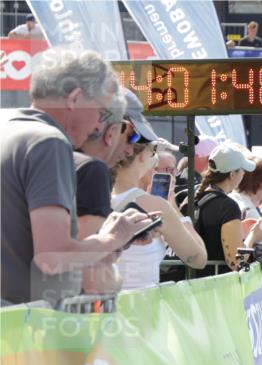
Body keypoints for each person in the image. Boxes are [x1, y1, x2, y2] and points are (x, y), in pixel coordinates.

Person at [1, 48, 148, 307]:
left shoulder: (9, 127)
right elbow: (52, 256)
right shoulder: (48, 142)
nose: (98, 127)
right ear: (75, 99)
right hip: (20, 332)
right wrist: (113, 237)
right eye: (102, 112)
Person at [112, 139, 208, 290]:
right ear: (142, 157)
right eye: (152, 153)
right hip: (141, 306)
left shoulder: (91, 199)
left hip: (102, 306)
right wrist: (175, 210)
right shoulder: (156, 206)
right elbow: (198, 259)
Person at [74, 89, 130, 294]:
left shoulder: (39, 154)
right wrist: (115, 239)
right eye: (132, 138)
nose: (131, 150)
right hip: (62, 315)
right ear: (111, 133)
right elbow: (93, 278)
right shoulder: (92, 171)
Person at [190, 143, 255, 276]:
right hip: (213, 289)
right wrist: (254, 236)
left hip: (189, 283)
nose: (243, 174)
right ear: (232, 174)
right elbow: (236, 262)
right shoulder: (227, 206)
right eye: (242, 170)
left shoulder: (193, 197)